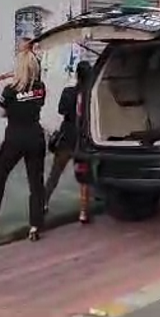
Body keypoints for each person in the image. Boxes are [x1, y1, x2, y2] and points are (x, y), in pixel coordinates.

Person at [0, 51, 47, 241]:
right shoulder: (40, 87)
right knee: (36, 181)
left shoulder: (10, 90)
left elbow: (2, 113)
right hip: (35, 135)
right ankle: (35, 225)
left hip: (15, 136)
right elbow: (38, 105)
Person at [45, 61, 92, 224]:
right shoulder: (92, 95)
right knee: (84, 177)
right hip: (83, 140)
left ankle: (43, 202)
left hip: (67, 137)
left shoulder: (68, 92)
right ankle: (83, 212)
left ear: (77, 75)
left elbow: (61, 110)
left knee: (55, 172)